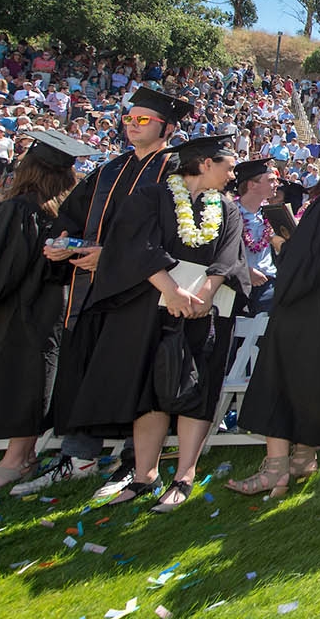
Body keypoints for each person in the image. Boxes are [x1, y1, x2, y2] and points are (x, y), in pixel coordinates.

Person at [56, 134, 250, 512]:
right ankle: (144, 475)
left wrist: (205, 295)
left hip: (203, 313)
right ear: (205, 163)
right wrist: (173, 292)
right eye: (228, 166)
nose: (232, 174)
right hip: (151, 311)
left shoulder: (227, 210)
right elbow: (138, 248)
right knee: (148, 389)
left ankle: (184, 476)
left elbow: (229, 258)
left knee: (197, 389)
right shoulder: (149, 198)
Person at [23, 88, 191, 498]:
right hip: (92, 291)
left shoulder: (176, 173)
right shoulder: (109, 169)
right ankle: (78, 456)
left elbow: (169, 239)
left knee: (135, 375)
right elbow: (73, 216)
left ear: (167, 127)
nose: (132, 125)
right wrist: (64, 243)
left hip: (140, 295)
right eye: (129, 118)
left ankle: (136, 463)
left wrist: (109, 257)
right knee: (86, 369)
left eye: (143, 120)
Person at [229, 144, 320, 497]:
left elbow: (304, 263)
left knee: (279, 381)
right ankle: (304, 459)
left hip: (304, 313)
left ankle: (275, 471)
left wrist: (281, 245)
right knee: (316, 384)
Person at [0, 132, 90, 494]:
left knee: (21, 378)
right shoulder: (67, 214)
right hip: (53, 305)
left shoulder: (16, 210)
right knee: (32, 376)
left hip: (18, 308)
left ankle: (17, 459)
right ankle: (18, 456)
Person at [233, 158, 280, 315]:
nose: (276, 184)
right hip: (236, 284)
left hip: (268, 285)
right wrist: (245, 271)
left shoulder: (271, 213)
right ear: (252, 185)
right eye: (271, 180)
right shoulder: (230, 213)